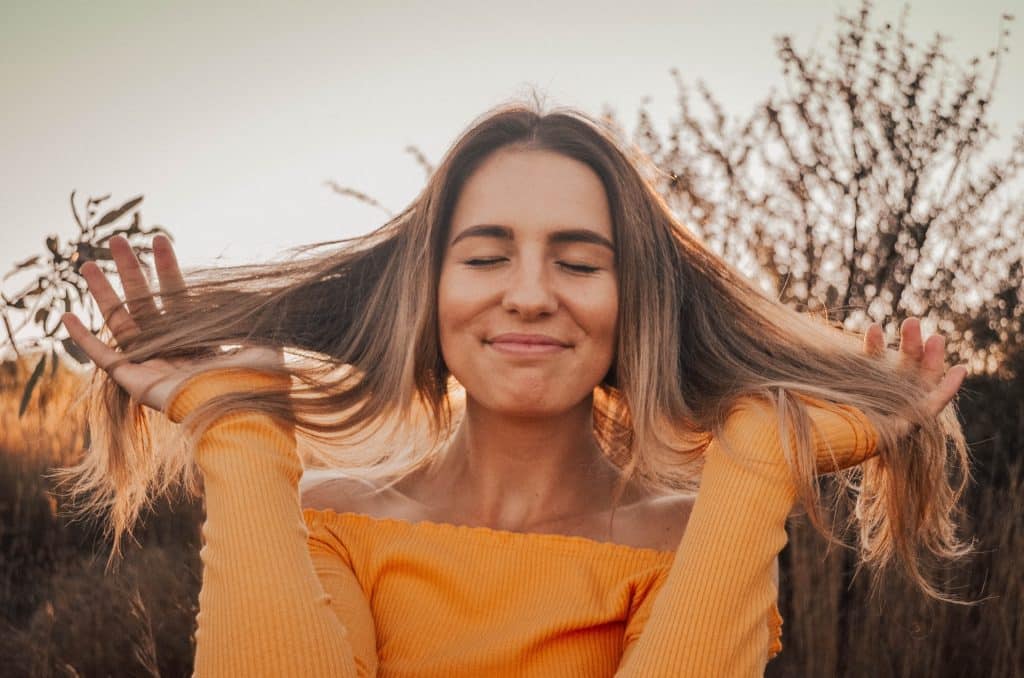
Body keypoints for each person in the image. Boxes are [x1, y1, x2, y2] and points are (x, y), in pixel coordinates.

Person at [57, 99, 969, 677]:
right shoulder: (332, 522)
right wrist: (245, 432)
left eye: (578, 262)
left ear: (633, 300)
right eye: (486, 255)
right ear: (432, 292)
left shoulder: (694, 539)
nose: (528, 293)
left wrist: (761, 453)